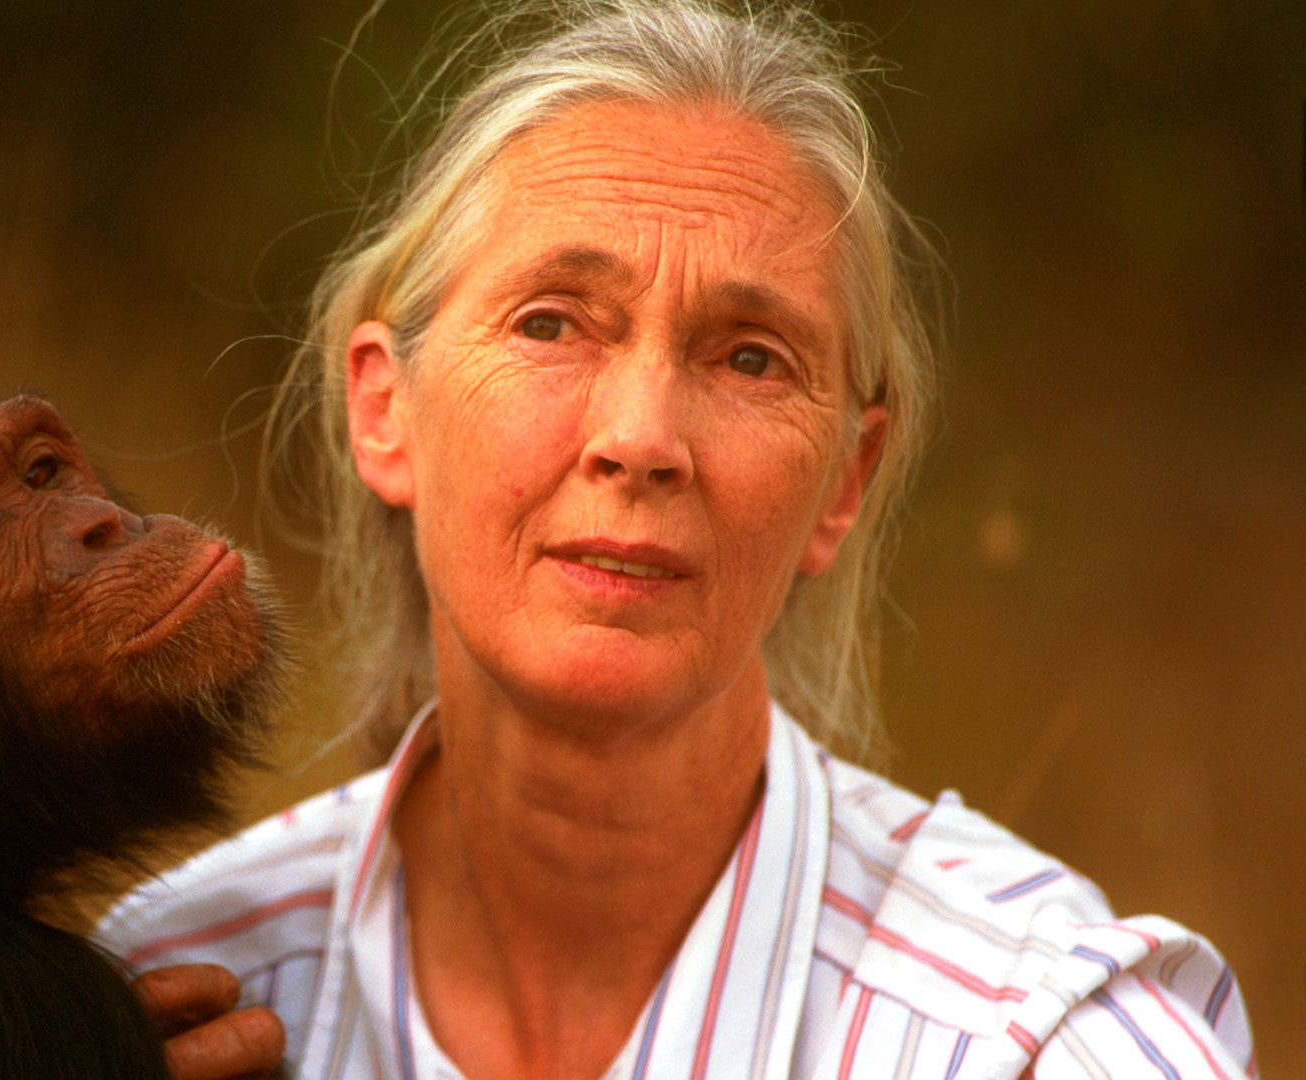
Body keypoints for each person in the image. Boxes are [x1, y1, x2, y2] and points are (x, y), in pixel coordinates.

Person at [99, 1, 1257, 1076]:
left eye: (751, 356)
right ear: (383, 408)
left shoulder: (1044, 1039)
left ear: (844, 482)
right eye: (552, 322)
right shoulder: (170, 1006)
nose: (642, 438)